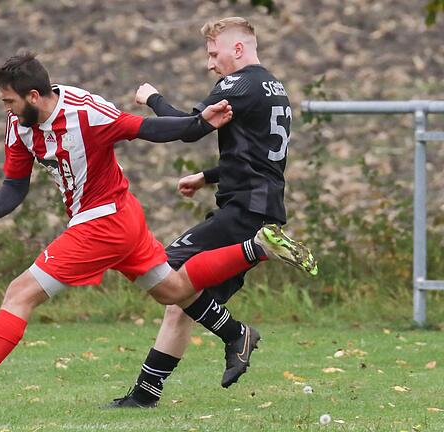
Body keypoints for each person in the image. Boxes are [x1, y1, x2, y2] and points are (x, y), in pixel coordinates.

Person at [0, 52, 314, 412]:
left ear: (33, 96)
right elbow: (15, 185)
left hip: (102, 220)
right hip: (122, 219)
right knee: (174, 291)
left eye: (9, 101)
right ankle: (256, 248)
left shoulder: (86, 111)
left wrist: (196, 122)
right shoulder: (18, 125)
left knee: (20, 292)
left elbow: (144, 129)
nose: (6, 109)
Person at [109, 17, 317, 409]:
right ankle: (144, 396)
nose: (210, 63)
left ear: (238, 49)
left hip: (245, 211)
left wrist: (151, 98)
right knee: (182, 299)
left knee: (163, 271)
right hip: (259, 205)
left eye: (213, 52)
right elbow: (258, 158)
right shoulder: (275, 87)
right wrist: (206, 176)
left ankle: (238, 331)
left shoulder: (238, 84)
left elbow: (189, 127)